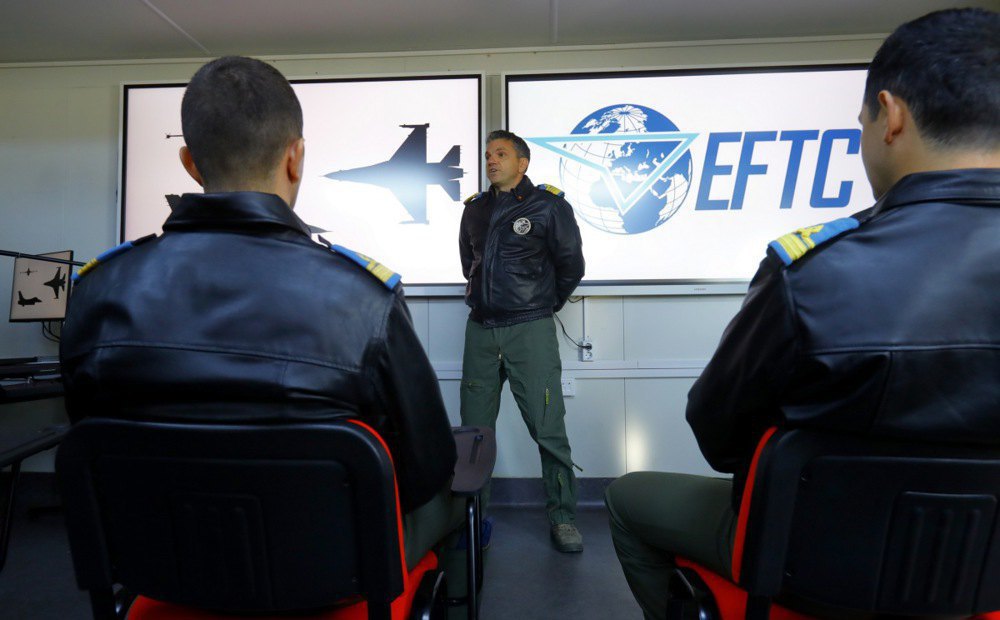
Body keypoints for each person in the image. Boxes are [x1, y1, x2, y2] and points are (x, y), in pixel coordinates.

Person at [605, 7, 1000, 619]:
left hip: (812, 570)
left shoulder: (813, 272)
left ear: (891, 116)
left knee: (630, 498)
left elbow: (719, 434)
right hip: (985, 577)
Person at [60, 56, 463, 578]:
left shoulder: (98, 290)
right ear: (296, 158)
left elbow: (92, 445)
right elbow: (426, 467)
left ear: (189, 163)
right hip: (332, 572)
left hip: (165, 564)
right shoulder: (363, 297)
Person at [458, 130, 586, 552]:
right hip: (481, 330)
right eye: (488, 155)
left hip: (529, 328)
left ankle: (563, 518)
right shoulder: (474, 210)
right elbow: (469, 263)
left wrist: (543, 304)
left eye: (501, 154)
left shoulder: (548, 205)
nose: (491, 161)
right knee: (474, 435)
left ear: (523, 163)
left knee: (548, 429)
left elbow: (571, 265)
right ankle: (473, 523)